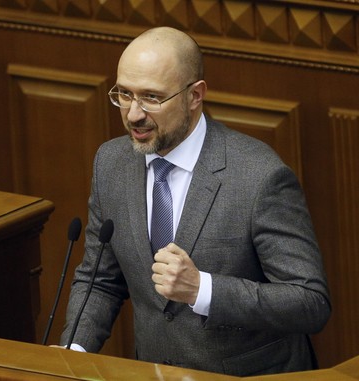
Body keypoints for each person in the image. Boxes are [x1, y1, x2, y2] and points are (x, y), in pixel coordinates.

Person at [60, 26, 331, 377]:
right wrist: (71, 353)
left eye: (152, 97)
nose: (133, 114)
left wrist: (203, 289)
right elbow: (100, 280)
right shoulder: (112, 163)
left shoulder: (258, 176)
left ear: (195, 95)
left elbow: (310, 302)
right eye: (124, 94)